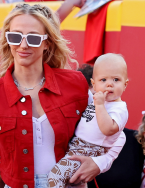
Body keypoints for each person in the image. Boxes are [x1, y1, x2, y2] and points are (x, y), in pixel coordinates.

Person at [0, 4, 126, 188]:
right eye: (15, 36)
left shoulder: (74, 85)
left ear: (47, 43)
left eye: (34, 38)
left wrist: (100, 164)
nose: (23, 44)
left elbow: (117, 134)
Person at [48, 53, 129, 187]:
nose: (109, 85)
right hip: (76, 145)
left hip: (89, 149)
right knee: (70, 181)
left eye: (116, 80)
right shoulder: (94, 100)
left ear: (125, 84)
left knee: (56, 175)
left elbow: (109, 129)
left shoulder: (119, 108)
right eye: (103, 80)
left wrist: (99, 105)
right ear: (93, 83)